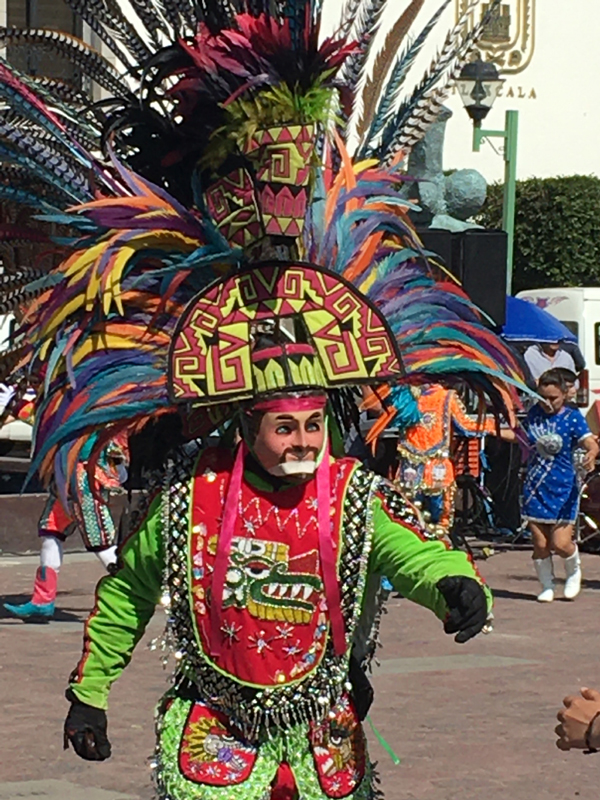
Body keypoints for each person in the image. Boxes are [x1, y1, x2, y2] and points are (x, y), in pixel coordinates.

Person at [0, 6, 529, 798]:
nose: (304, 441)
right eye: (287, 427)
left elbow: (409, 555)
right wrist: (88, 693)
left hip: (322, 739)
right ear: (247, 423)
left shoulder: (349, 496)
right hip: (216, 736)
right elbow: (129, 596)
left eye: (314, 424)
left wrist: (456, 587)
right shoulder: (191, 503)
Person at [3, 434, 129, 620]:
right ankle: (42, 600)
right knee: (50, 532)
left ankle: (131, 594)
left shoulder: (100, 420)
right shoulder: (68, 413)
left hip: (86, 485)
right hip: (65, 483)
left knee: (101, 543)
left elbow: (119, 466)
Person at [521, 370, 598, 601]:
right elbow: (520, 437)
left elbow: (589, 442)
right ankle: (546, 586)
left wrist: (592, 453)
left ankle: (573, 569)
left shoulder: (573, 417)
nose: (548, 403)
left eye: (553, 398)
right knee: (540, 543)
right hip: (535, 485)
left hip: (564, 486)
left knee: (560, 543)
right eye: (544, 397)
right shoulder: (533, 414)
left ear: (564, 394)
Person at [395, 384, 494, 534]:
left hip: (412, 467)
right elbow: (466, 427)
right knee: (439, 521)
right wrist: (493, 426)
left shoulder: (404, 395)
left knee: (410, 520)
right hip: (434, 465)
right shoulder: (445, 397)